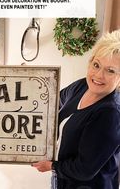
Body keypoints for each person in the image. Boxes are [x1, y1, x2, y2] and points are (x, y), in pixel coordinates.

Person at [32, 30, 120, 189]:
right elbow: (52, 102)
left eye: (110, 70)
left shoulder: (110, 114)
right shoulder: (82, 86)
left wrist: (51, 166)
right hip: (62, 180)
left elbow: (84, 169)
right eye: (96, 65)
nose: (98, 75)